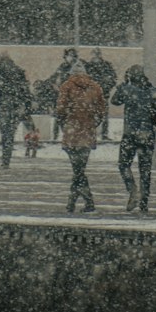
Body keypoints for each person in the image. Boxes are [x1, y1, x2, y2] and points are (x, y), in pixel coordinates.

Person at [56, 59, 106, 214]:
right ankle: (73, 203)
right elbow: (101, 110)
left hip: (72, 131)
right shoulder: (95, 87)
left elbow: (61, 108)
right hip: (87, 131)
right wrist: (92, 123)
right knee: (80, 168)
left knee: (77, 170)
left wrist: (64, 122)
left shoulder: (67, 86)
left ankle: (86, 202)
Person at [110, 64, 156, 213]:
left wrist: (124, 84)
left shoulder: (127, 90)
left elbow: (115, 101)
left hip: (130, 134)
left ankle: (133, 189)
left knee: (124, 164)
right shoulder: (153, 92)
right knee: (145, 169)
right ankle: (144, 200)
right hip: (147, 134)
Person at [0, 51, 32, 168]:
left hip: (2, 104)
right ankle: (7, 154)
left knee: (4, 131)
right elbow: (25, 90)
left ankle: (5, 157)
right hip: (16, 105)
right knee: (11, 131)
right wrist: (27, 105)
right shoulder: (19, 70)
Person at [85, 47, 117, 140]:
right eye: (94, 54)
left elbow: (113, 78)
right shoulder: (88, 66)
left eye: (97, 54)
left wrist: (106, 88)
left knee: (103, 115)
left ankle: (104, 134)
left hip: (102, 94)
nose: (96, 56)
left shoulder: (106, 65)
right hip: (91, 95)